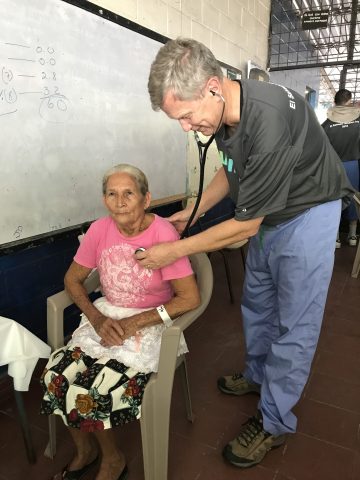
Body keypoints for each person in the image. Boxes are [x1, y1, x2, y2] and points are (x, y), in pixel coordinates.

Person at [135, 38, 355, 468]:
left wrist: (174, 250)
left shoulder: (268, 118)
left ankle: (273, 422)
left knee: (295, 323)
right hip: (270, 213)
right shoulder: (223, 110)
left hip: (309, 212)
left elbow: (246, 224)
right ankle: (257, 376)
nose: (185, 126)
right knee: (257, 303)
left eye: (185, 116)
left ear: (213, 87)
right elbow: (231, 170)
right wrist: (194, 211)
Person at [40, 163, 200, 480]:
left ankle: (113, 460)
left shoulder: (163, 234)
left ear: (146, 198)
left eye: (129, 193)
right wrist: (97, 318)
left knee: (92, 391)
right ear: (104, 200)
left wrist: (136, 323)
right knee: (55, 375)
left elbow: (189, 298)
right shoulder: (100, 230)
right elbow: (72, 281)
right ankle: (87, 451)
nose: (120, 201)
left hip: (151, 322)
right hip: (107, 316)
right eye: (112, 194)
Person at [322, 89, 360, 247]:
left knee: (334, 199)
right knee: (353, 198)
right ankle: (352, 235)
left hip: (333, 166)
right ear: (349, 102)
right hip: (353, 165)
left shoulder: (326, 124)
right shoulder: (358, 122)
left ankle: (335, 237)